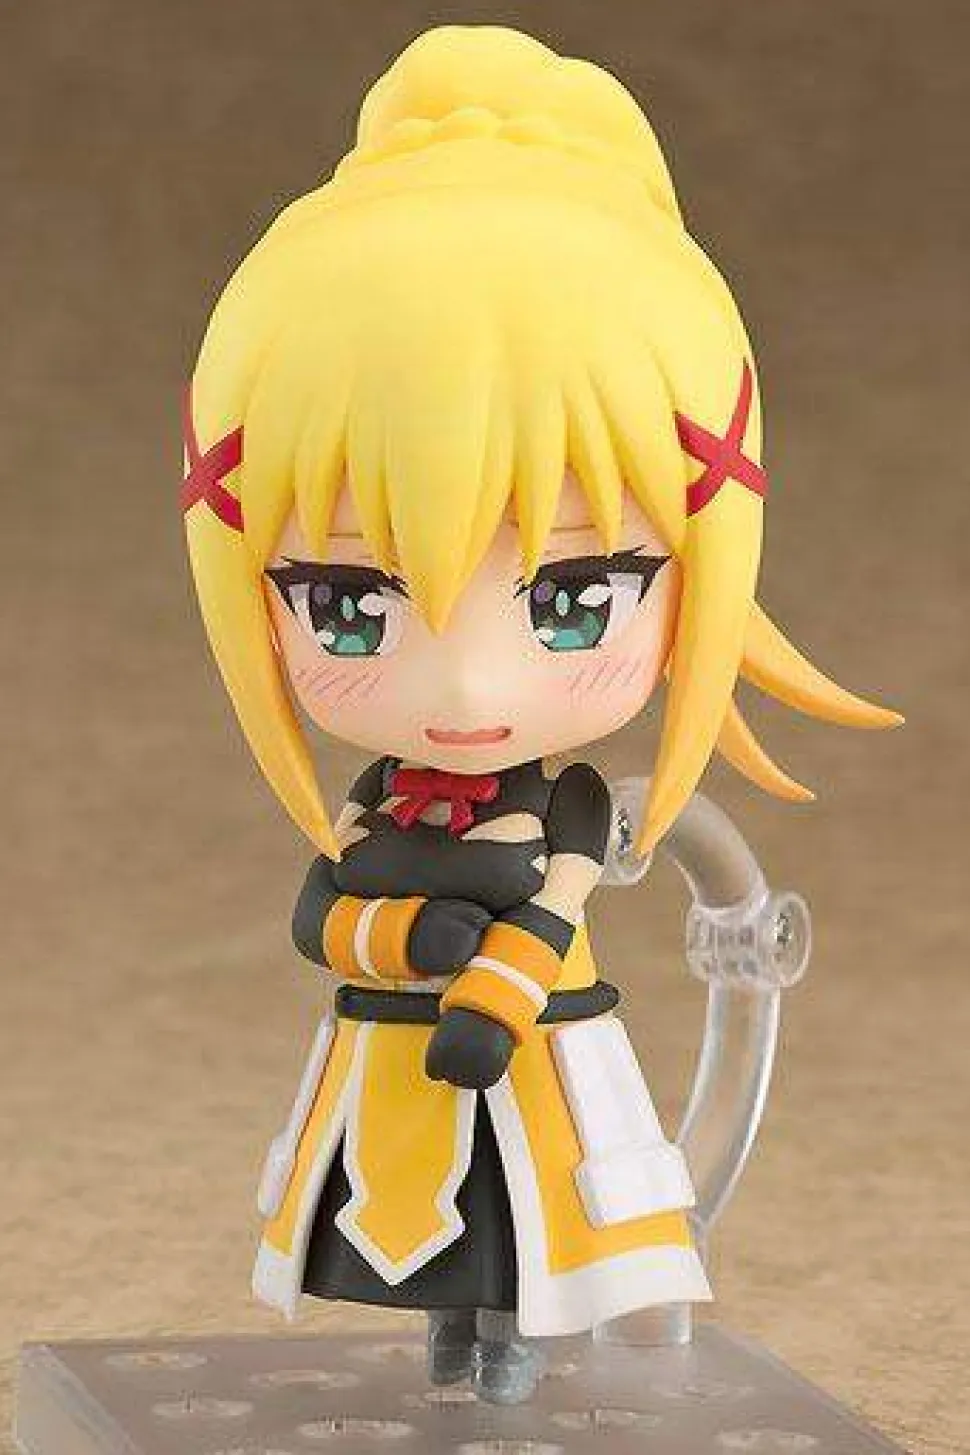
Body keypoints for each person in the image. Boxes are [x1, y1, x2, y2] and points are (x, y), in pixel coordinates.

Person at [182, 25, 899, 1405]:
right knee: (413, 1224)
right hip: (390, 1044)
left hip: (531, 1045)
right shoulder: (377, 799)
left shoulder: (562, 804)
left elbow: (561, 904)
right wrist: (403, 939)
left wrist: (495, 988)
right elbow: (318, 908)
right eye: (347, 605)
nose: (468, 689)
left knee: (529, 1212)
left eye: (574, 599)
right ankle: (453, 1339)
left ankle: (508, 1341)